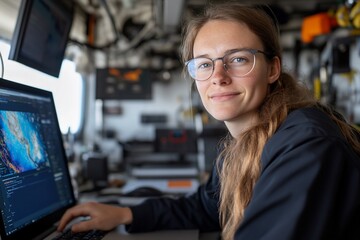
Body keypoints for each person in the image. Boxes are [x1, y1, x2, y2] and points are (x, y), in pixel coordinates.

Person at [57, 2, 360, 239]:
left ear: (272, 69)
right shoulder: (244, 144)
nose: (218, 77)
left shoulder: (306, 146)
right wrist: (125, 214)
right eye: (204, 64)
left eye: (238, 59)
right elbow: (207, 207)